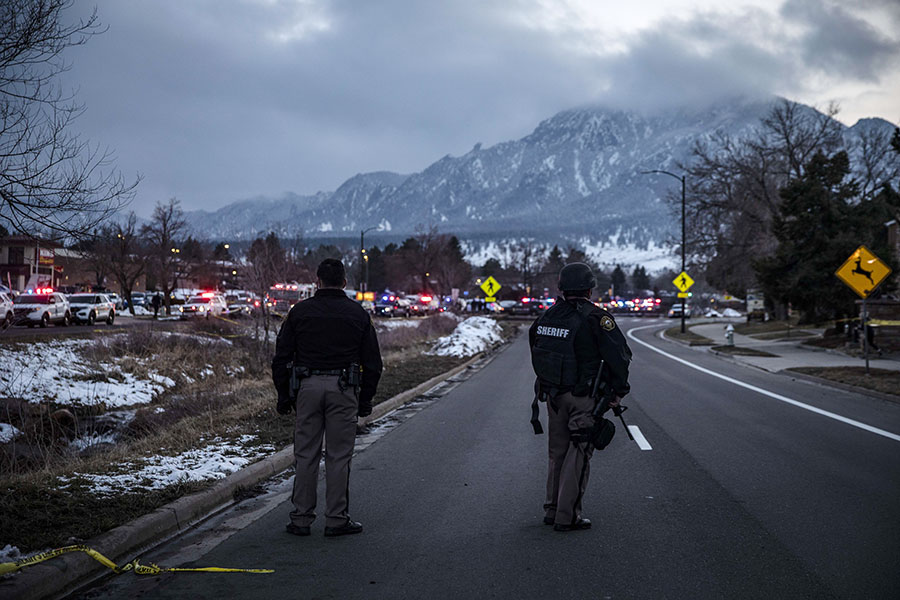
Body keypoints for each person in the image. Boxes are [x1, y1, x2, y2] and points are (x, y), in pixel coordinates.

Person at [272, 259, 383, 537]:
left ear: (317, 281)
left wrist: (284, 395)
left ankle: (301, 519)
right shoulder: (358, 314)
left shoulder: (299, 313)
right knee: (338, 456)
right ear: (344, 282)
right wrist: (365, 399)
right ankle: (336, 519)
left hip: (307, 388)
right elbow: (373, 363)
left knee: (305, 455)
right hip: (344, 389)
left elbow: (281, 357)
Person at [528, 262, 632, 532]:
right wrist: (618, 392)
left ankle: (552, 509)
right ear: (589, 289)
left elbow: (536, 349)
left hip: (553, 396)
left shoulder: (547, 317)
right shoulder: (596, 318)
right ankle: (568, 517)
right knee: (579, 454)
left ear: (562, 288)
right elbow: (620, 357)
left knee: (557, 453)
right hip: (583, 398)